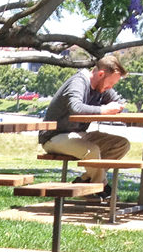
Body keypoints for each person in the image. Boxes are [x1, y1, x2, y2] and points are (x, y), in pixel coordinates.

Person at [39, 55, 130, 197]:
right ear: (100, 74)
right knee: (92, 150)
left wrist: (120, 107)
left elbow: (119, 102)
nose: (110, 88)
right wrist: (103, 110)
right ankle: (99, 189)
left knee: (121, 144)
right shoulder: (79, 82)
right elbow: (76, 108)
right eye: (110, 84)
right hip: (53, 137)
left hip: (80, 134)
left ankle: (85, 180)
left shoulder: (102, 87)